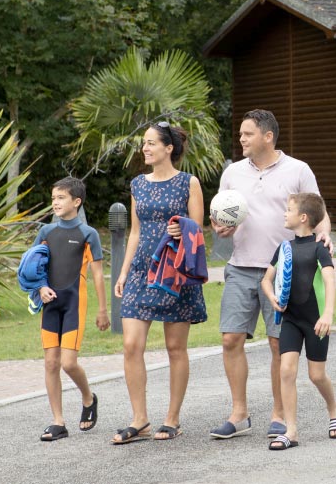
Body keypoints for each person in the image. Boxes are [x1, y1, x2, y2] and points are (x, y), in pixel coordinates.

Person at [205, 109, 332, 440]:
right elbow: (221, 217)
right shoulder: (232, 173)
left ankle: (279, 413)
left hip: (282, 272)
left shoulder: (298, 170)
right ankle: (239, 413)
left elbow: (320, 213)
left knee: (279, 344)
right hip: (239, 266)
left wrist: (325, 235)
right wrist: (220, 228)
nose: (241, 139)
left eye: (248, 134)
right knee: (230, 338)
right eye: (241, 134)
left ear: (267, 136)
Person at [112, 121, 206, 444]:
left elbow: (198, 228)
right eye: (144, 143)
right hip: (141, 272)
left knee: (175, 347)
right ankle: (140, 420)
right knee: (130, 345)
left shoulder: (188, 183)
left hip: (174, 271)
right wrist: (123, 272)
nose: (145, 148)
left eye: (151, 143)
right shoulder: (138, 184)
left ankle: (172, 419)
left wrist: (185, 229)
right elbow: (135, 232)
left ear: (169, 148)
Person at [261, 193, 336, 450]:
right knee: (286, 370)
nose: (285, 213)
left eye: (289, 210)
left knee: (316, 375)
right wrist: (271, 296)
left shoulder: (320, 249)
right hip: (291, 319)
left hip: (316, 320)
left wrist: (328, 314)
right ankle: (291, 430)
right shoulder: (284, 248)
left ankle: (334, 408)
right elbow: (266, 279)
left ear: (303, 217)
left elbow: (330, 281)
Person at [34, 177, 110, 441]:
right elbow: (35, 267)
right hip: (50, 303)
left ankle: (88, 398)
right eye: (53, 197)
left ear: (76, 202)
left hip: (74, 304)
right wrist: (40, 288)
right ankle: (58, 422)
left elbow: (99, 275)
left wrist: (103, 310)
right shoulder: (45, 232)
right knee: (51, 362)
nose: (55, 202)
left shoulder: (88, 234)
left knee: (68, 363)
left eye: (61, 197)